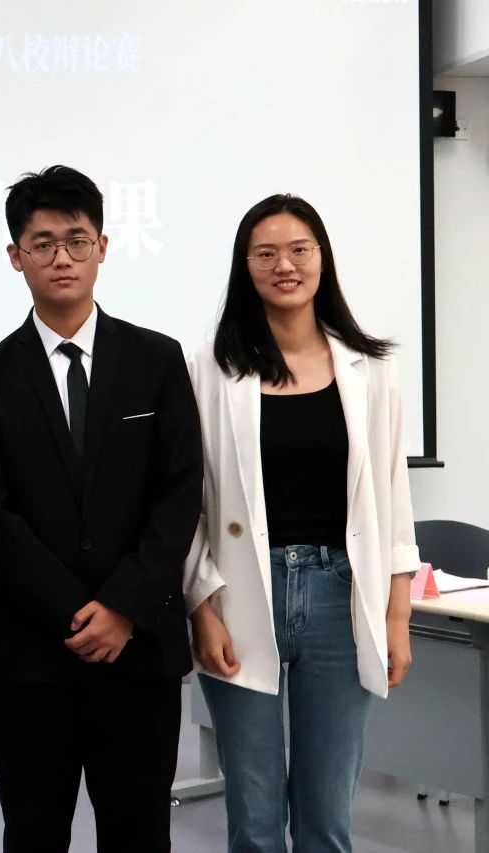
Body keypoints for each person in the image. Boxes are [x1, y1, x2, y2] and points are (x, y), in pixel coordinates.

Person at [0, 165, 203, 852]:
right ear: (16, 256)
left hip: (139, 650)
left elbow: (179, 492)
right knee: (34, 833)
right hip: (32, 656)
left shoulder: (157, 359)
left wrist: (121, 606)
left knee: (139, 834)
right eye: (42, 244)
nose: (61, 257)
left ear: (103, 247)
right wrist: (76, 610)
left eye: (76, 240)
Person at [184, 194, 417, 851]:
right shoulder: (208, 369)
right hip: (241, 593)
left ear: (322, 259)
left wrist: (397, 617)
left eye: (298, 250)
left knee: (326, 815)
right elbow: (189, 502)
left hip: (341, 593)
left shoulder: (372, 368)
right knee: (254, 816)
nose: (284, 265)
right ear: (245, 266)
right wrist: (201, 608)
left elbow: (393, 496)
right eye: (265, 254)